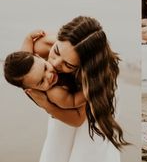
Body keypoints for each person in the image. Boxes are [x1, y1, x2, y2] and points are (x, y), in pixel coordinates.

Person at [7, 17, 127, 162]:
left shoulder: (91, 78)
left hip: (96, 92)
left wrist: (48, 105)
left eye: (68, 65)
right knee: (58, 143)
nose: (54, 64)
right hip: (63, 96)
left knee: (90, 148)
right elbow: (24, 66)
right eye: (56, 51)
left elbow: (78, 119)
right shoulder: (42, 47)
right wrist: (27, 39)